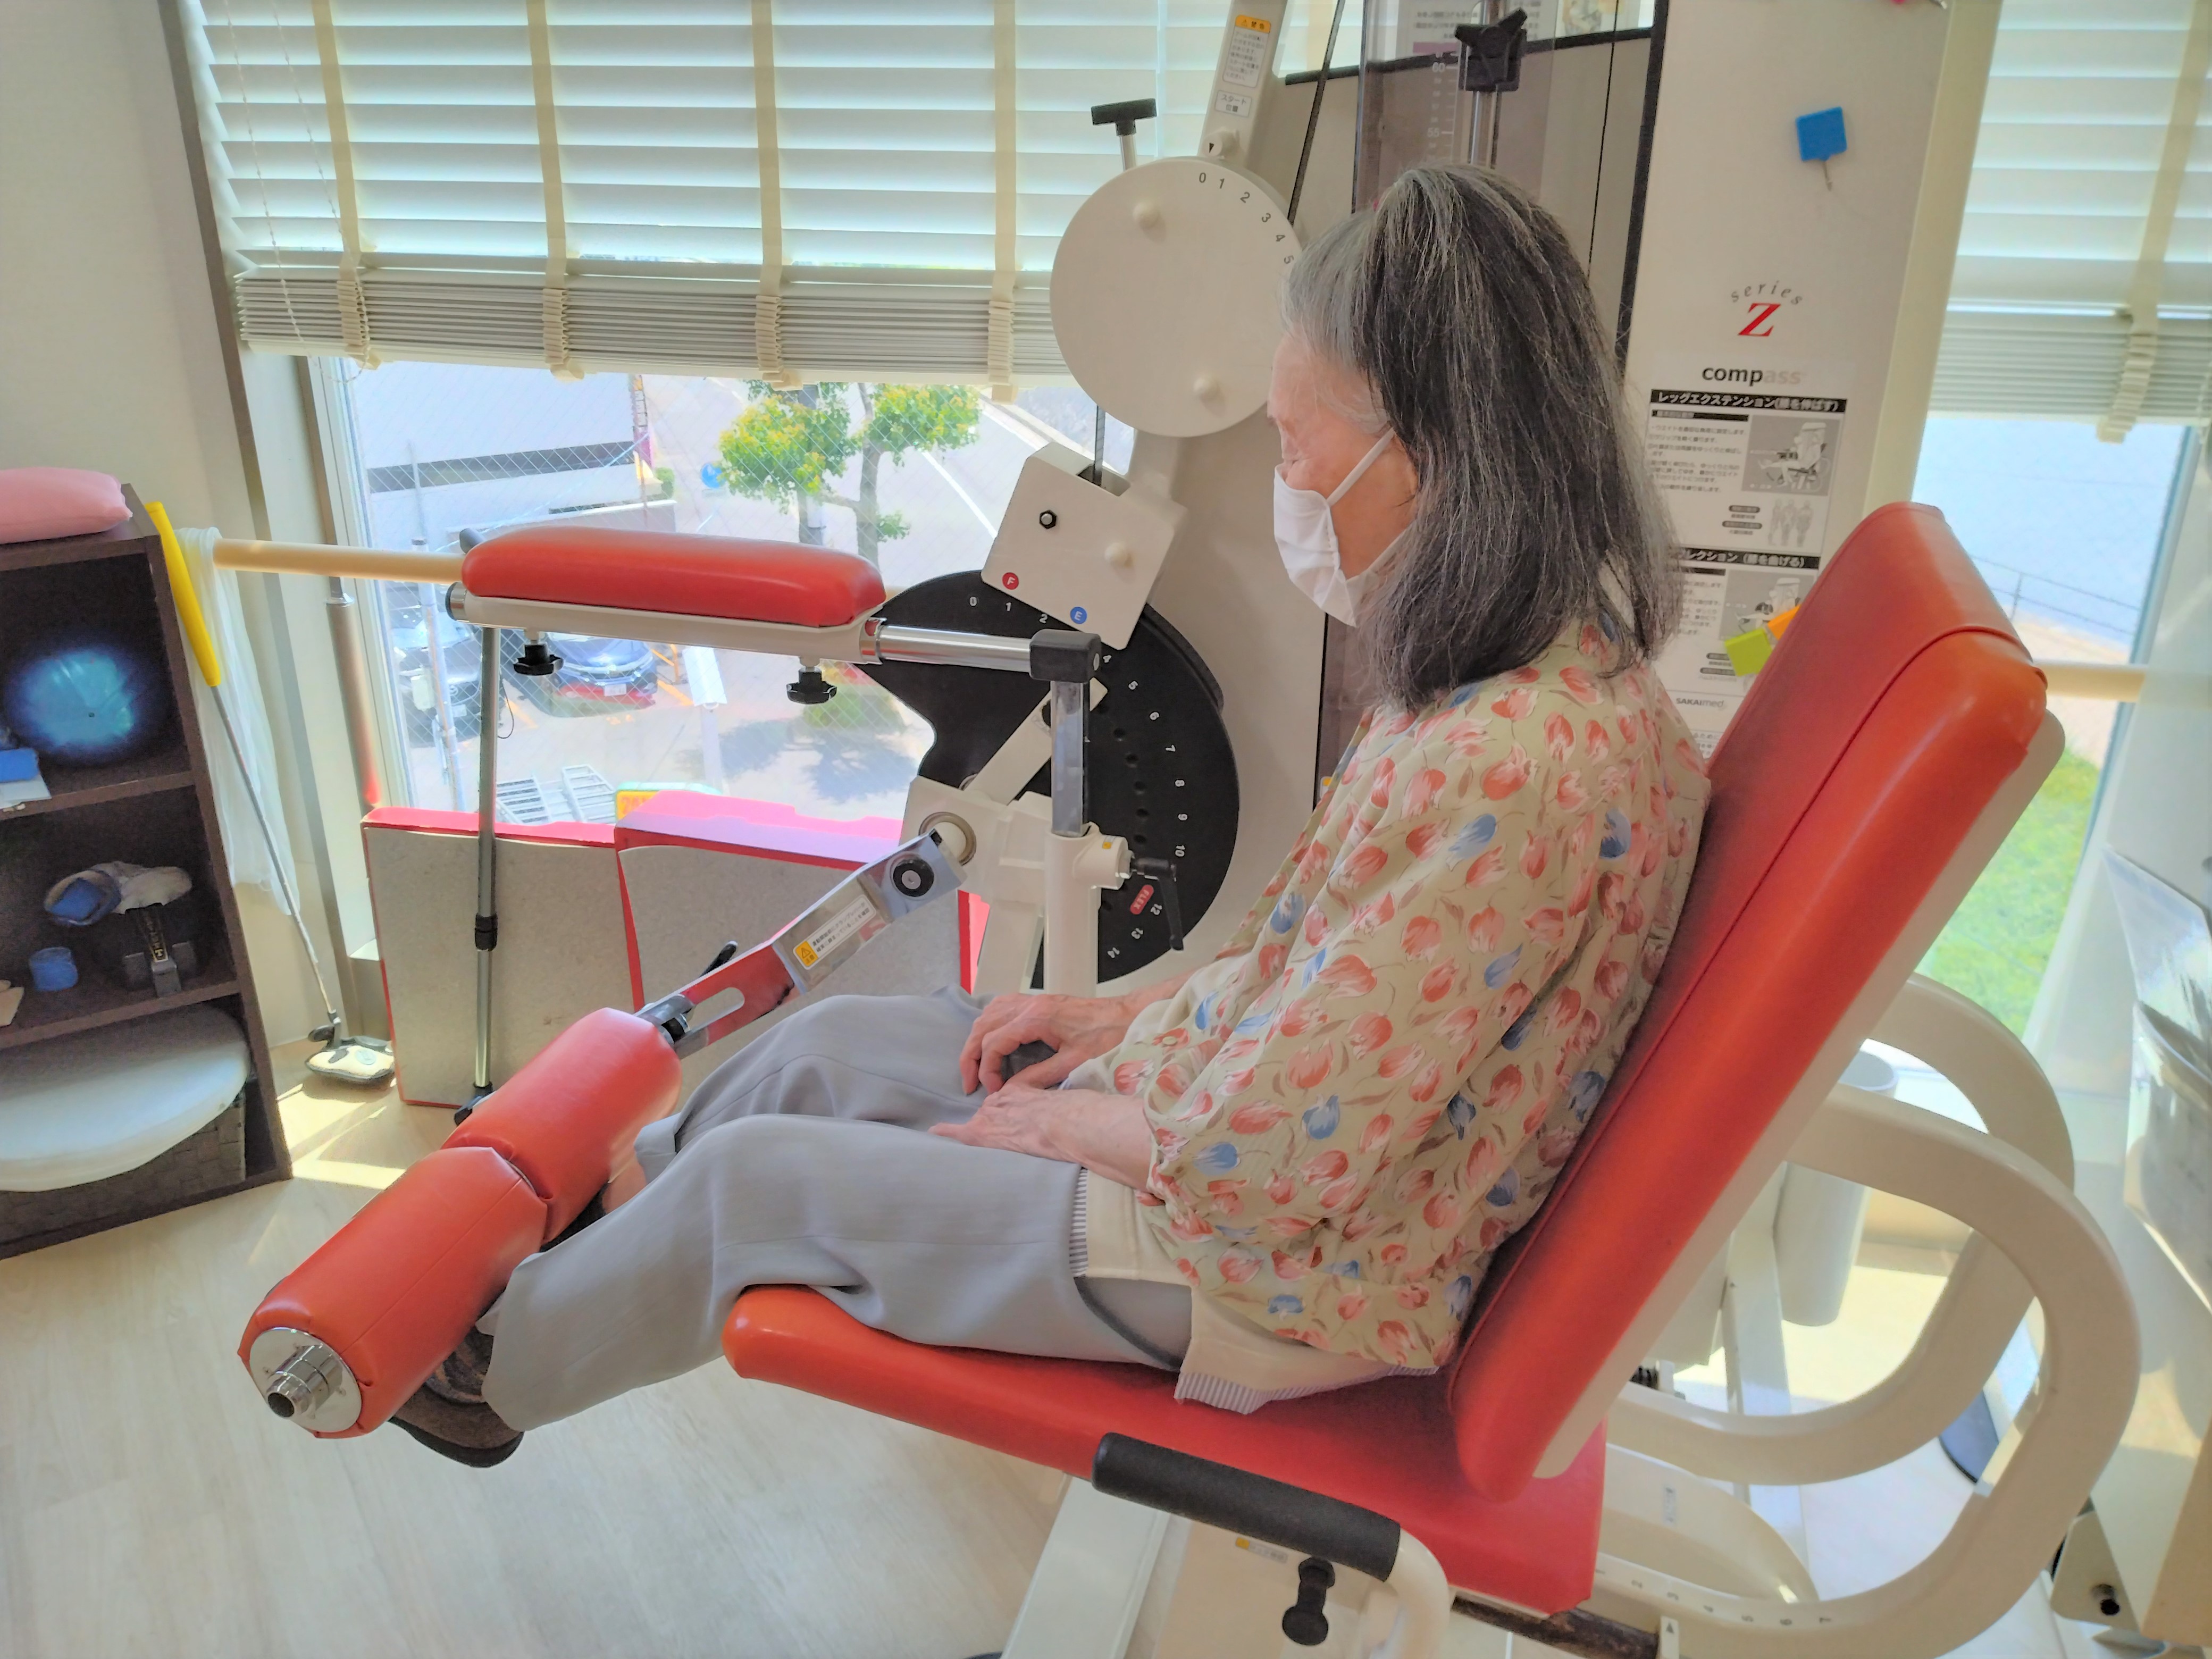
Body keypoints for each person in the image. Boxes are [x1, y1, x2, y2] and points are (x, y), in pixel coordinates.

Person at [391, 164, 1710, 1468]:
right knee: (829, 1049)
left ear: (1424, 460)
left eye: (1296, 446)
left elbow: (1269, 1174)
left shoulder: (1506, 770)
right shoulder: (1503, 681)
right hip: (1241, 1140)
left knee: (758, 1191)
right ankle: (595, 1222)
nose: (1288, 480)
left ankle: (480, 1369)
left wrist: (1067, 1125)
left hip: (1272, 1272)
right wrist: (1119, 1021)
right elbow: (1319, 975)